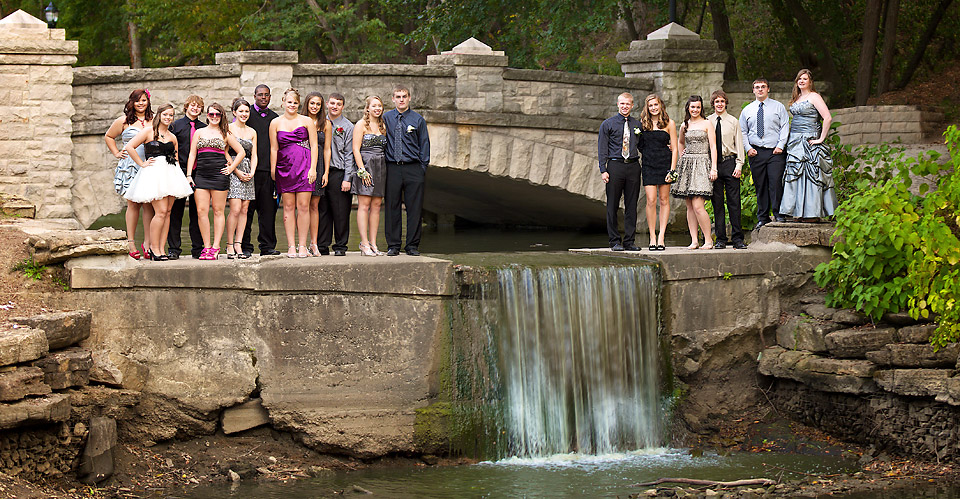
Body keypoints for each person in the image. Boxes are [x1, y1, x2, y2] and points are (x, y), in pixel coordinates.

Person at [122, 104, 194, 260]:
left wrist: (180, 178)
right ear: (159, 115)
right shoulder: (149, 132)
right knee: (160, 212)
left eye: (171, 115)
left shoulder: (172, 137)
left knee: (167, 212)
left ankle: (161, 249)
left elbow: (176, 159)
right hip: (154, 174)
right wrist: (142, 163)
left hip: (171, 174)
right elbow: (130, 147)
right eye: (165, 114)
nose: (168, 117)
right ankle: (153, 249)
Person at [186, 103, 246, 260]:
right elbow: (192, 154)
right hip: (201, 175)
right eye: (211, 114)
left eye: (217, 114)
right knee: (201, 211)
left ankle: (216, 246)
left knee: (218, 211)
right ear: (207, 115)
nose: (214, 117)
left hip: (219, 175)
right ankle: (206, 247)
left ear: (221, 116)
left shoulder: (225, 133)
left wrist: (231, 168)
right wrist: (189, 174)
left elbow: (241, 152)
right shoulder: (199, 132)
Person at [779, 69, 838, 221]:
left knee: (811, 175)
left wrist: (821, 139)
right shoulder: (797, 97)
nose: (802, 81)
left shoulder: (814, 96)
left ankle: (812, 213)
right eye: (799, 78)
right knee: (796, 174)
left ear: (810, 82)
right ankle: (797, 212)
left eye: (805, 79)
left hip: (809, 140)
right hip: (795, 140)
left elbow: (827, 118)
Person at [104, 89, 154, 260]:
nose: (141, 104)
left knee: (149, 204)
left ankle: (148, 243)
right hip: (130, 165)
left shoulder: (154, 120)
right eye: (137, 101)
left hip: (149, 165)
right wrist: (117, 153)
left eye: (144, 100)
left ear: (148, 102)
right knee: (133, 204)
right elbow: (109, 136)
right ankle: (131, 242)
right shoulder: (123, 121)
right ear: (132, 103)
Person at [270, 88, 319, 258]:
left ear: (299, 104)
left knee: (304, 206)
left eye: (295, 102)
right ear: (283, 103)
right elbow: (274, 148)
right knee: (288, 207)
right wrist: (273, 169)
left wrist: (313, 168)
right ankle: (291, 245)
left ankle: (303, 245)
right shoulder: (275, 123)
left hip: (305, 165)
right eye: (289, 102)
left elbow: (314, 145)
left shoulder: (307, 121)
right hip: (284, 168)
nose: (292, 105)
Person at [383, 85, 430, 256]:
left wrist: (422, 168)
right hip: (392, 167)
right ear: (393, 99)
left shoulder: (418, 120)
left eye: (404, 96)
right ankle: (393, 245)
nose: (401, 99)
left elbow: (424, 144)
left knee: (414, 208)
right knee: (391, 207)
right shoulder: (386, 118)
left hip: (413, 168)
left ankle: (412, 245)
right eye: (398, 96)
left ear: (409, 98)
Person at [740, 78, 790, 229]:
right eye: (757, 87)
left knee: (776, 183)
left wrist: (781, 145)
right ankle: (763, 217)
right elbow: (743, 131)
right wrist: (748, 148)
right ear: (753, 90)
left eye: (763, 86)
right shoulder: (747, 110)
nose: (760, 89)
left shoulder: (778, 107)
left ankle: (779, 214)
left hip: (775, 151)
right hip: (756, 152)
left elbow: (785, 127)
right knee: (760, 185)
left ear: (768, 89)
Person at [671, 95, 718, 250]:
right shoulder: (684, 125)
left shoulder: (707, 123)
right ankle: (694, 241)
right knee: (690, 206)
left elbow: (713, 146)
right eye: (693, 107)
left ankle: (708, 240)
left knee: (698, 206)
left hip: (702, 164)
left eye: (698, 107)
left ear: (701, 108)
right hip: (687, 165)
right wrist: (682, 155)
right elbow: (680, 142)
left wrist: (714, 167)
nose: (695, 110)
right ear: (688, 108)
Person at [597, 92, 643, 251]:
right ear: (618, 104)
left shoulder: (637, 125)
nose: (625, 106)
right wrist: (603, 169)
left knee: (632, 205)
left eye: (628, 104)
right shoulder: (607, 124)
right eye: (622, 103)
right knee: (612, 204)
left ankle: (629, 241)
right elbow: (602, 148)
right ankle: (615, 241)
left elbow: (643, 145)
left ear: (632, 105)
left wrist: (666, 147)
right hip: (615, 166)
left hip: (633, 166)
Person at [241, 84, 281, 257]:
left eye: (266, 95)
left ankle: (267, 246)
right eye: (260, 95)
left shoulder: (275, 118)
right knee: (246, 211)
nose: (263, 97)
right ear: (254, 96)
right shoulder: (246, 114)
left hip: (268, 172)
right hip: (248, 172)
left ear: (270, 97)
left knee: (268, 212)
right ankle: (244, 246)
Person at [706, 90, 748, 250]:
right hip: (714, 165)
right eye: (717, 101)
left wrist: (739, 165)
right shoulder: (707, 121)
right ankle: (720, 239)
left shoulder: (733, 121)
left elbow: (739, 145)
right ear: (713, 104)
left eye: (722, 101)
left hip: (730, 163)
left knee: (734, 202)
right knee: (717, 203)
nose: (720, 104)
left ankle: (738, 239)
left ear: (726, 103)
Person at [167, 95, 206, 259]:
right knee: (176, 212)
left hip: (199, 172)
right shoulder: (175, 126)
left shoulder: (204, 128)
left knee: (198, 212)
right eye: (192, 105)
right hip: (179, 171)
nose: (195, 108)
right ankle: (174, 249)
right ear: (186, 107)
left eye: (198, 106)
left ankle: (198, 249)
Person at [318, 92, 356, 256]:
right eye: (332, 103)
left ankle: (340, 246)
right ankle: (322, 245)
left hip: (339, 172)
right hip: (320, 172)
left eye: (338, 104)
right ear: (327, 104)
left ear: (343, 106)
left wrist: (348, 178)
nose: (335, 107)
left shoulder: (348, 127)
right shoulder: (319, 122)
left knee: (341, 212)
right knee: (322, 210)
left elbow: (350, 154)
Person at [639, 93, 678, 251]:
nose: (654, 108)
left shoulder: (669, 123)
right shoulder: (642, 124)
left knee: (664, 200)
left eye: (656, 104)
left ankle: (661, 236)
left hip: (664, 165)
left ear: (661, 105)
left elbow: (675, 149)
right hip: (648, 164)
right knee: (650, 200)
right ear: (647, 108)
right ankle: (652, 237)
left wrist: (672, 170)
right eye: (651, 105)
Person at [352, 95, 388, 256]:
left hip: (380, 166)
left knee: (377, 205)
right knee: (364, 205)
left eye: (379, 106)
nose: (377, 108)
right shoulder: (360, 125)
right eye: (374, 106)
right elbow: (355, 149)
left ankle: (373, 243)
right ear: (367, 108)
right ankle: (364, 243)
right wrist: (362, 170)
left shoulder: (383, 126)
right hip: (365, 165)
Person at [225, 98, 257, 259]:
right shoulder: (228, 128)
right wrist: (235, 170)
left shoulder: (252, 132)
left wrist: (252, 171)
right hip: (233, 169)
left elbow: (254, 155)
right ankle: (229, 244)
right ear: (234, 112)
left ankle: (239, 244)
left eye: (246, 111)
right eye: (241, 111)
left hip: (248, 171)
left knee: (245, 209)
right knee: (236, 209)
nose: (244, 114)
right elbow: (224, 151)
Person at [301, 92, 333, 256]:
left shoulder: (325, 124)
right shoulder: (299, 120)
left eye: (318, 104)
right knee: (302, 206)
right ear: (307, 104)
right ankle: (301, 244)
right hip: (301, 164)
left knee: (314, 205)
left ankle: (314, 244)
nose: (315, 106)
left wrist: (326, 172)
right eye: (312, 103)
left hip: (319, 165)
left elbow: (327, 149)